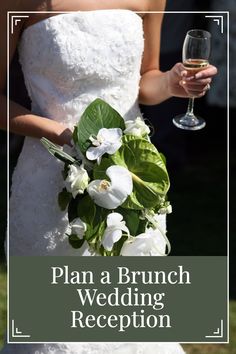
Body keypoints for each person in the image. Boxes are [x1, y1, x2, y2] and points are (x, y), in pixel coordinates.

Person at [0, 0, 217, 353]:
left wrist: (172, 83)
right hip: (51, 182)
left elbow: (146, 82)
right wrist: (63, 135)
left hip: (128, 177)